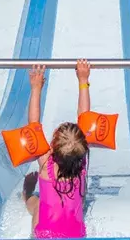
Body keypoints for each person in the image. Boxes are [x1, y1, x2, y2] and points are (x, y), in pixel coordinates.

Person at [22, 59, 92, 238]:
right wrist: (83, 80)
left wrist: (36, 88)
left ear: (52, 146)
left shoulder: (46, 165)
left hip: (44, 234)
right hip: (76, 234)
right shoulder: (81, 160)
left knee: (38, 205)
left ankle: (26, 194)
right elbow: (84, 116)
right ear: (82, 145)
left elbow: (34, 125)